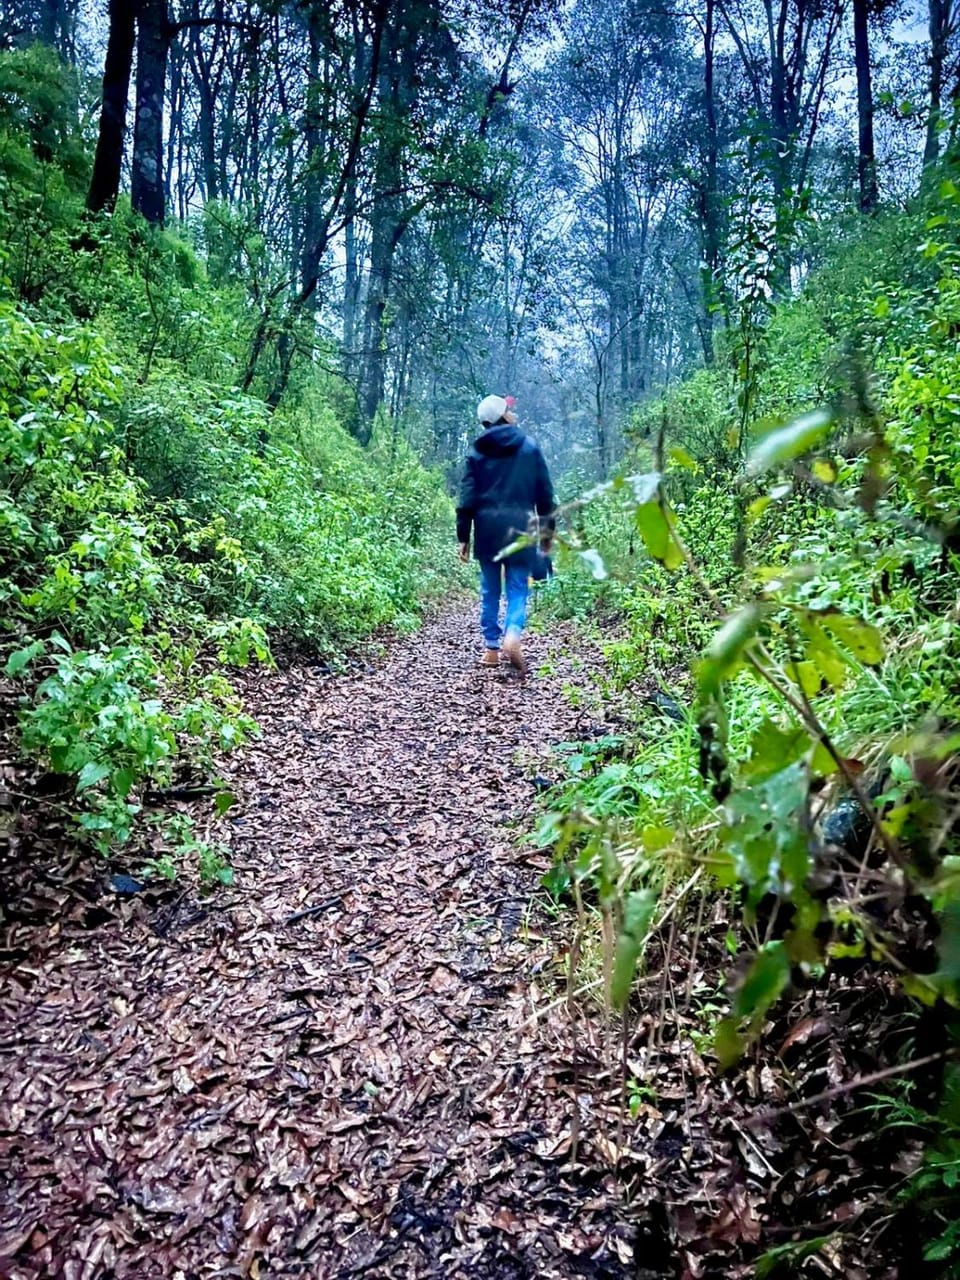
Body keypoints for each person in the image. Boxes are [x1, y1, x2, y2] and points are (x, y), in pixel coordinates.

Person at [456, 394, 556, 673]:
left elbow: (466, 500)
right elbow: (545, 496)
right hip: (522, 529)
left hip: (487, 531)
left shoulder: (476, 452)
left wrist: (463, 536)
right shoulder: (530, 448)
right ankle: (512, 633)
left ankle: (491, 648)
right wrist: (547, 534)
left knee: (489, 589)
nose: (513, 412)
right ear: (503, 416)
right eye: (509, 409)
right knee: (517, 588)